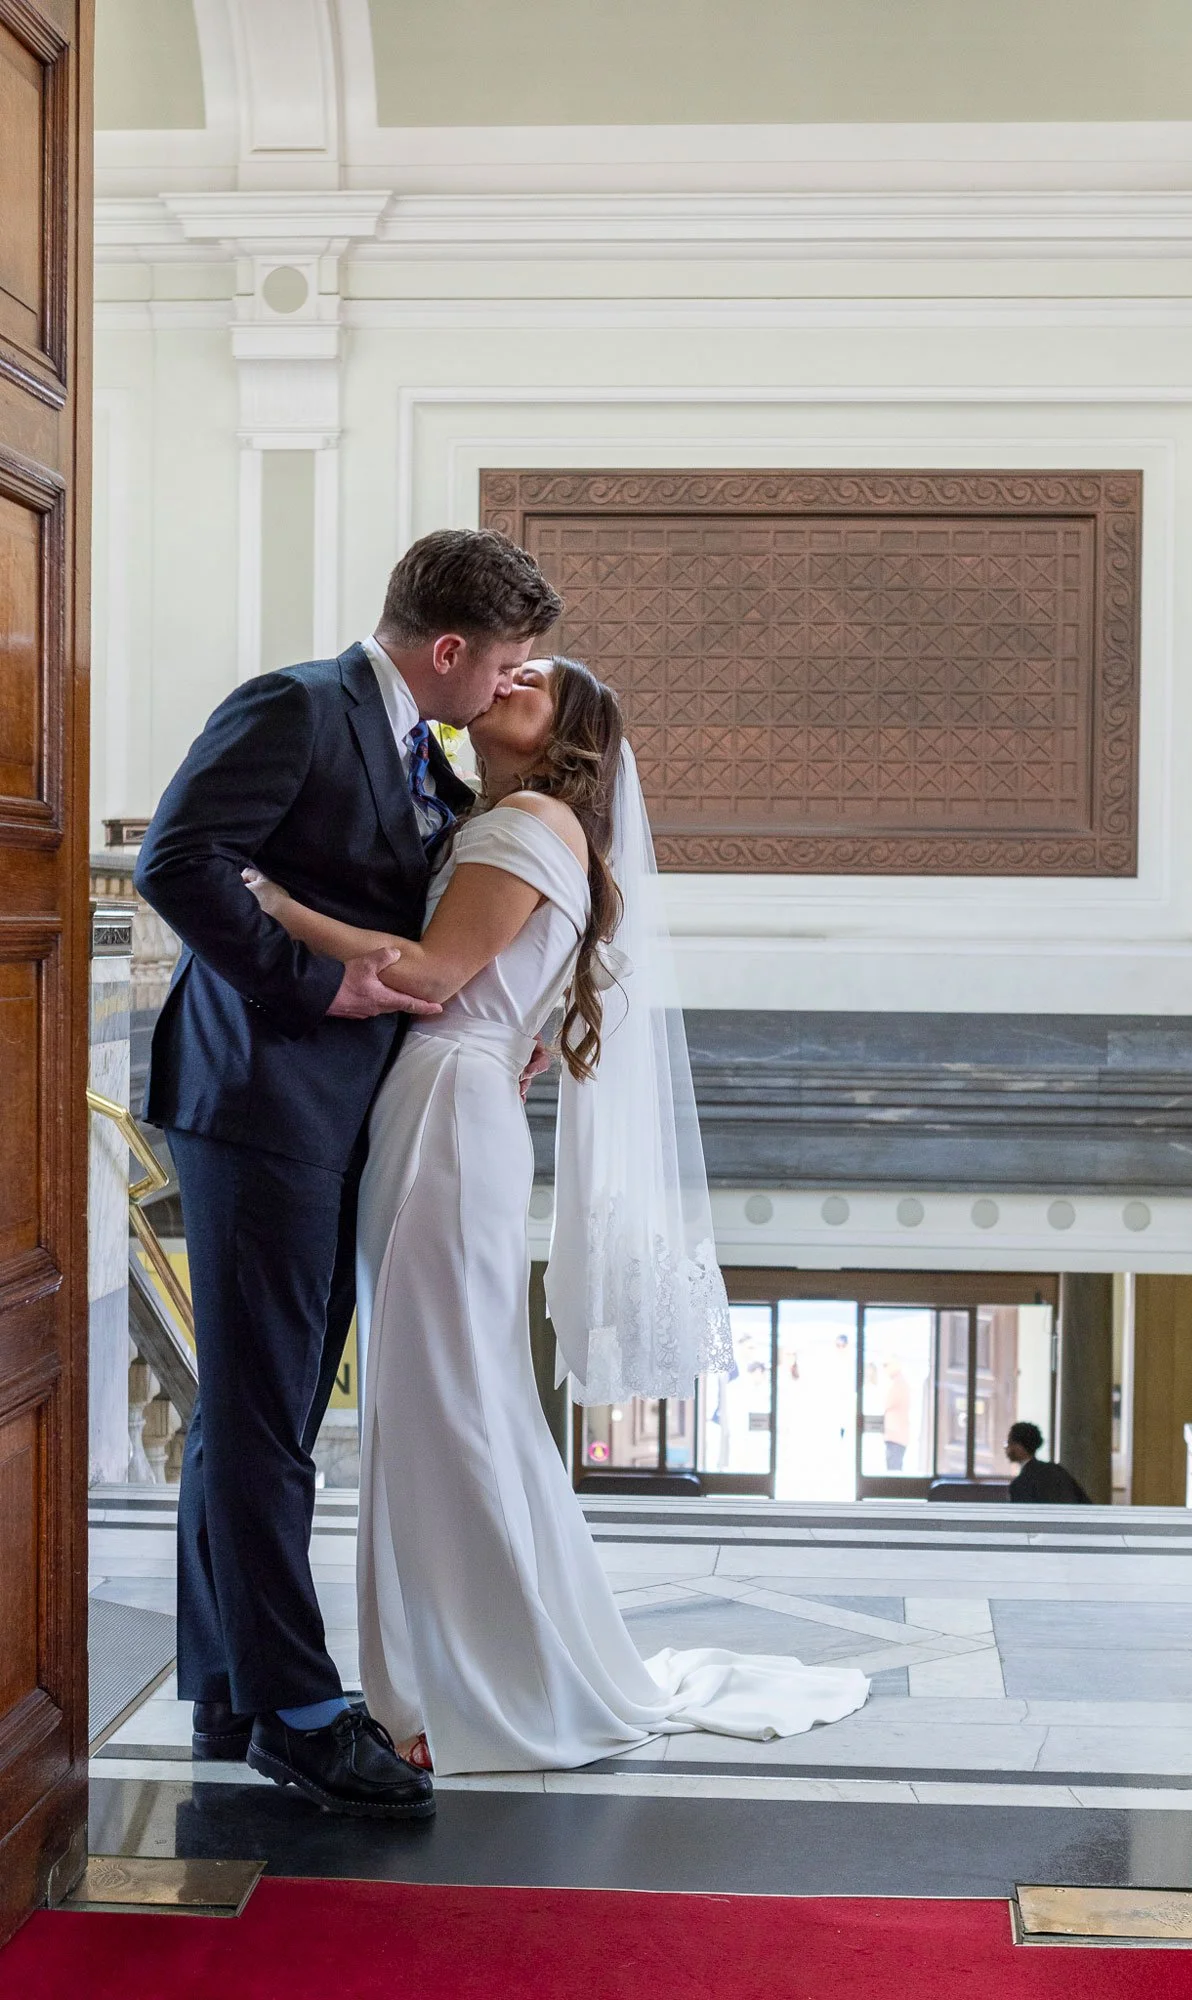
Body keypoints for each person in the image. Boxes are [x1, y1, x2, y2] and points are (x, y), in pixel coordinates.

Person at [247, 657, 871, 1774]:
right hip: (455, 1104)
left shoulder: (529, 819)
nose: (512, 674)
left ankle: (473, 1679)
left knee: (441, 1400)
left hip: (444, 1104)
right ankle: (469, 1665)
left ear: (568, 730)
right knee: (454, 1392)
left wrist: (274, 903)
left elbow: (432, 972)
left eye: (537, 678)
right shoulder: (524, 821)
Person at [133, 529, 561, 1817]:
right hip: (258, 1096)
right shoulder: (296, 706)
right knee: (269, 1420)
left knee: (252, 1409)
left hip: (330, 1110)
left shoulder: (421, 748)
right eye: (505, 664)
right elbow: (175, 861)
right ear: (447, 649)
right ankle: (305, 1713)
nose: (506, 687)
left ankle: (226, 1682)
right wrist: (320, 982)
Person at [1004, 1422, 1091, 1504]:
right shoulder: (1057, 1470)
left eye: (1009, 1443)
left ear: (1019, 1447)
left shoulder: (1021, 1483)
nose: (1006, 1448)